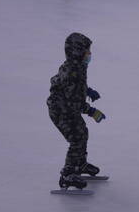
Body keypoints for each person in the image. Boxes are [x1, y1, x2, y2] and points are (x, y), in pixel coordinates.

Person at [47, 33, 106, 189]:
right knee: (76, 139)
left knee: (82, 132)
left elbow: (76, 88)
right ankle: (67, 175)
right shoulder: (72, 72)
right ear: (77, 52)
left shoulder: (78, 66)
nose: (90, 55)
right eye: (87, 52)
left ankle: (79, 164)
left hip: (68, 108)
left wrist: (88, 90)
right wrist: (92, 111)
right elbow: (74, 103)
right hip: (60, 110)